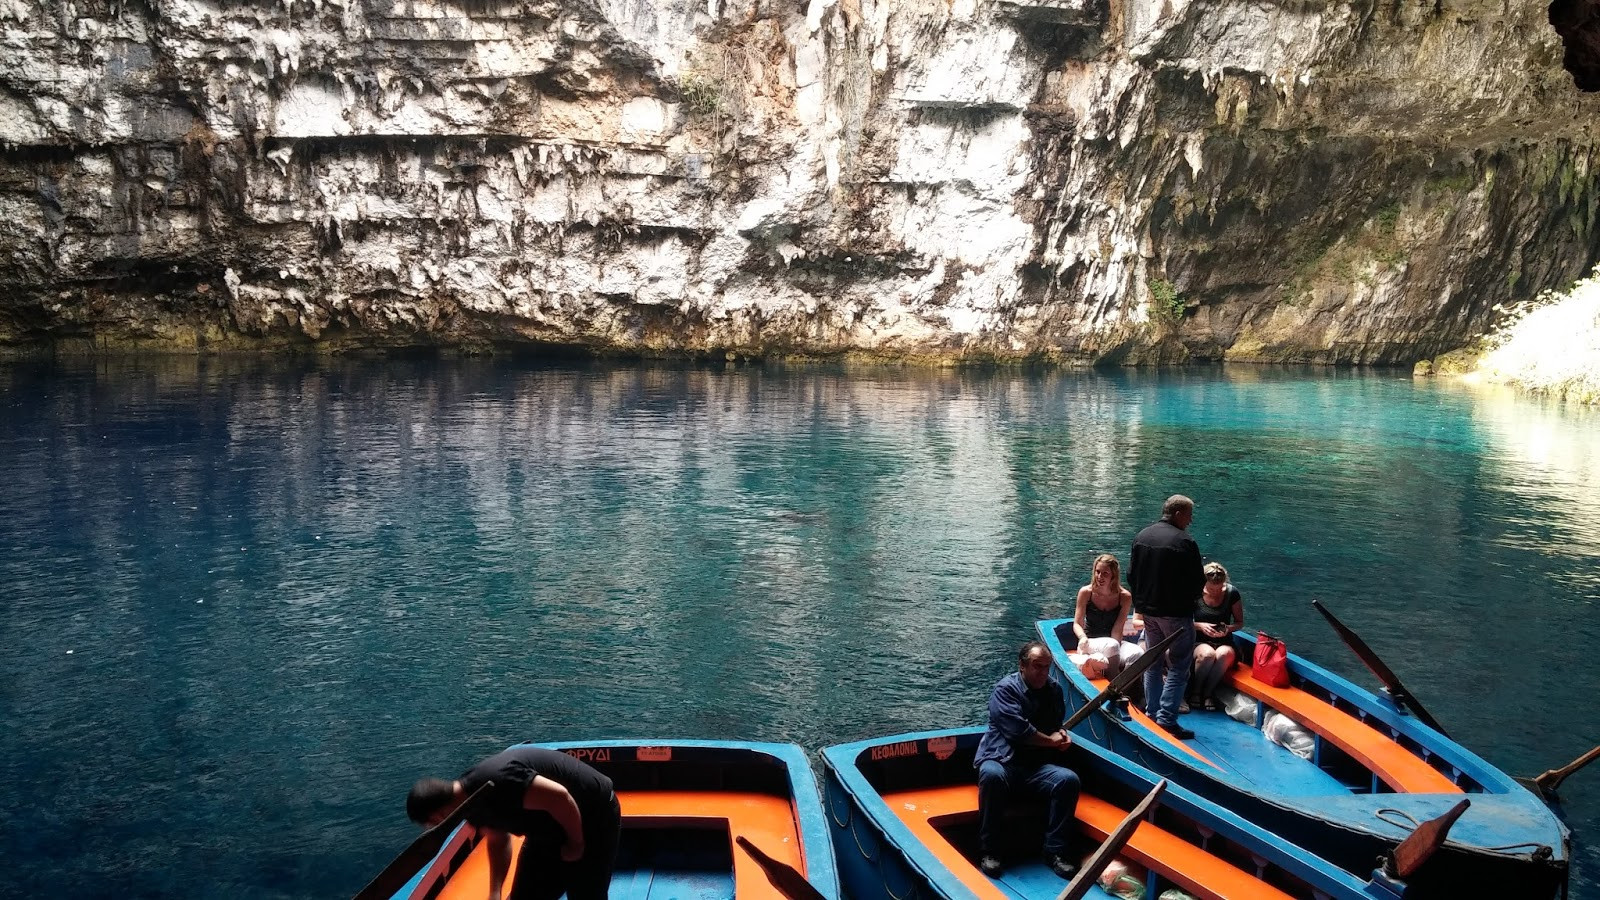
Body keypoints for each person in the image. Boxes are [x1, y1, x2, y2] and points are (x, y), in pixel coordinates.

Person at [406, 745, 622, 900]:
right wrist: (495, 892)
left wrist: (576, 843)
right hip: (546, 830)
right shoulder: (468, 804)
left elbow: (560, 798)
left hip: (593, 814)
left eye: (433, 823)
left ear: (438, 814)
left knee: (586, 893)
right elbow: (498, 840)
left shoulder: (498, 780)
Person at [973, 641, 1082, 881]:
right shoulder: (1005, 690)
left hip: (1035, 767)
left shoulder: (1053, 689)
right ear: (1022, 666)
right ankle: (989, 850)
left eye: (1046, 667)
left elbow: (1055, 725)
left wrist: (1062, 736)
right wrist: (1052, 742)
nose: (1043, 673)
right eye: (1037, 667)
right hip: (1002, 760)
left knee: (1068, 780)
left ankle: (1055, 852)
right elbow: (1020, 732)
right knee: (991, 775)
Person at [1129, 494, 1206, 740]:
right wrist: (1190, 602)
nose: (1190, 520)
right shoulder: (1184, 542)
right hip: (1176, 614)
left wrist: (1142, 602)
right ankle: (1166, 719)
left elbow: (1132, 575)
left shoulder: (1142, 536)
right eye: (1189, 515)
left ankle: (1151, 714)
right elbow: (1197, 581)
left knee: (1153, 661)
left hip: (1149, 612)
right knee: (1180, 665)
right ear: (1178, 514)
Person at [1071, 553, 1144, 677]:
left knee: (1138, 653)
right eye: (1097, 572)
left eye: (1105, 573)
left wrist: (1115, 652)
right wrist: (1082, 637)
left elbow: (1118, 627)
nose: (1100, 577)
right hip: (1090, 641)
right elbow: (1077, 623)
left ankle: (1129, 689)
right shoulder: (1086, 592)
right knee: (1112, 645)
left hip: (1114, 642)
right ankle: (1112, 688)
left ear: (1113, 576)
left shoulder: (1124, 596)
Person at [1190, 561, 1245, 711]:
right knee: (1207, 654)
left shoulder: (1232, 593)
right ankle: (1196, 691)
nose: (1215, 591)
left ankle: (1208, 693)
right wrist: (1200, 625)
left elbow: (1240, 623)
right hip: (1199, 639)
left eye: (1219, 588)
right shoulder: (1195, 593)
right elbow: (1183, 621)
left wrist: (1228, 628)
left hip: (1224, 640)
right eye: (1211, 588)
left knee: (1223, 654)